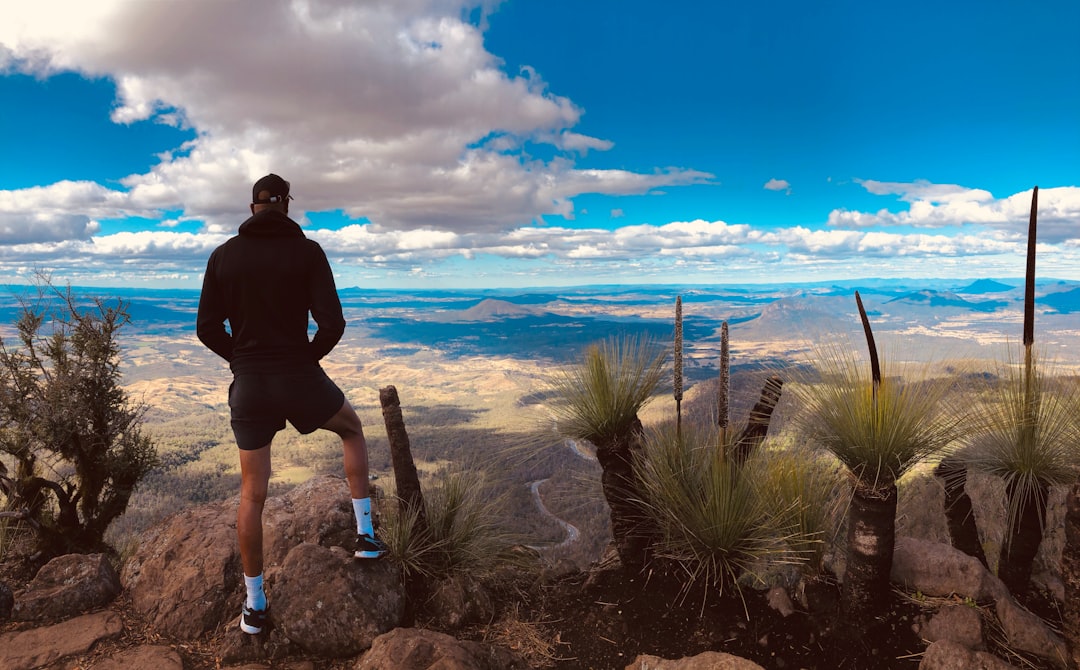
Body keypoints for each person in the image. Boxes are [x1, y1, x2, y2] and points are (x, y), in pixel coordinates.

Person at [196, 173, 387, 636]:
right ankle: (364, 536)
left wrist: (241, 361)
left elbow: (206, 328)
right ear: (286, 206)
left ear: (252, 206)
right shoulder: (308, 252)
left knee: (252, 494)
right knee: (352, 429)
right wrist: (304, 361)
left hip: (250, 384)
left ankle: (255, 606)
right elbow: (332, 324)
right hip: (299, 376)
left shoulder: (223, 256)